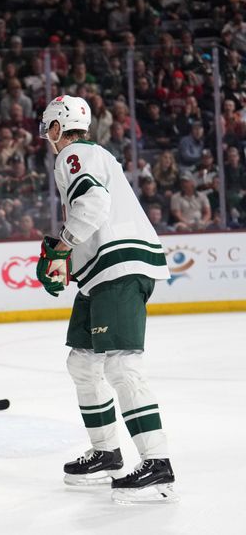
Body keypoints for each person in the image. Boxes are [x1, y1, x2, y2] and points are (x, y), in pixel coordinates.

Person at [35, 94, 177, 504]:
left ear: (59, 127)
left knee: (121, 365)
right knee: (82, 363)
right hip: (101, 274)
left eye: (49, 128)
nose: (48, 137)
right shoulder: (93, 154)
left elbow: (93, 203)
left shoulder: (74, 154)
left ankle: (157, 462)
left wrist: (62, 246)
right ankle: (106, 452)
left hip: (119, 268)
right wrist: (69, 258)